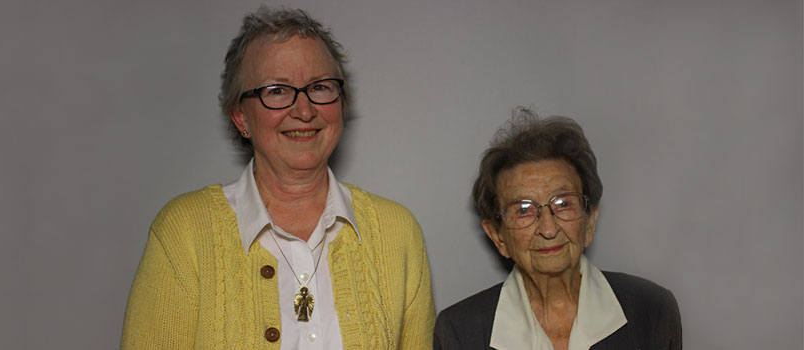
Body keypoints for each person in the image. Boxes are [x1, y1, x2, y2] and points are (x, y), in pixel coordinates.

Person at [121, 7, 434, 349]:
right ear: (241, 116)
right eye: (277, 91)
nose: (304, 110)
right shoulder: (185, 232)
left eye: (320, 87)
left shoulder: (397, 233)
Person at [433, 108, 681, 350]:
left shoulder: (652, 311)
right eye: (523, 210)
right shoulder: (459, 332)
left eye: (563, 204)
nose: (548, 229)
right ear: (498, 237)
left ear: (590, 221)